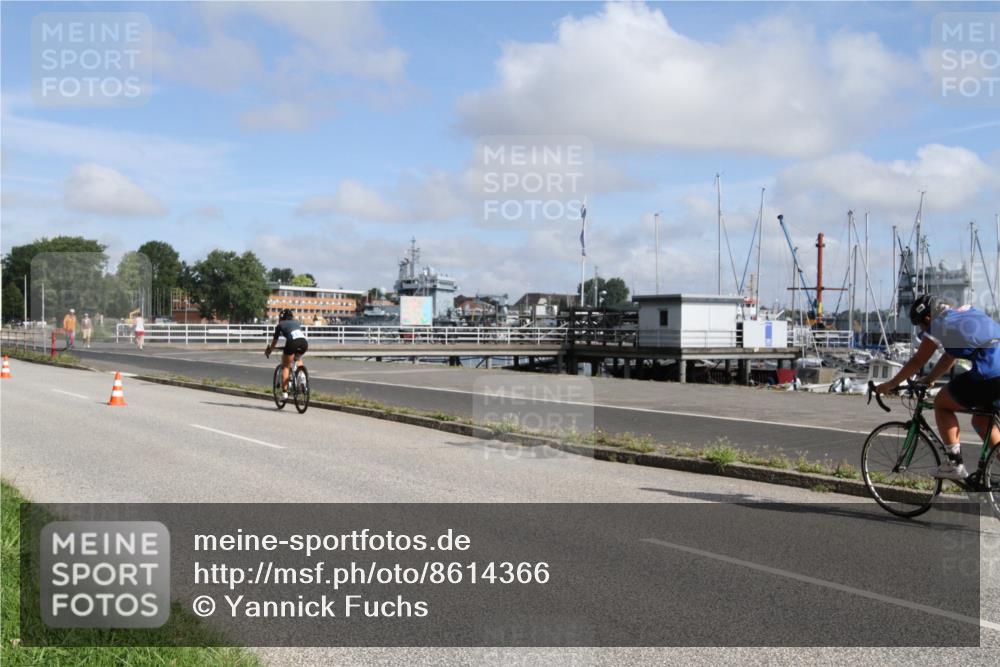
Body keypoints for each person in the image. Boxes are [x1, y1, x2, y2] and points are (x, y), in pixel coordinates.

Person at [875, 294, 1000, 480]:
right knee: (981, 421)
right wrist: (929, 378)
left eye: (921, 326)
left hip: (989, 374)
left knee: (942, 403)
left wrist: (889, 385)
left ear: (927, 318)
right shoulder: (964, 312)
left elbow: (918, 360)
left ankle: (954, 464)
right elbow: (950, 356)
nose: (923, 330)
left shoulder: (938, 324)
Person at [265, 309, 308, 400]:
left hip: (292, 342)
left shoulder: (280, 325)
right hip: (304, 343)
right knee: (297, 358)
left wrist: (269, 350)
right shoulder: (296, 322)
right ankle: (302, 377)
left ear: (281, 318)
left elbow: (274, 342)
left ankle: (284, 393)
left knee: (286, 366)